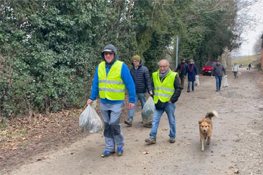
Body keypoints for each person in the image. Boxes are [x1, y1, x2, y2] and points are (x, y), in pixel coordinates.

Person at [87, 44, 136, 157]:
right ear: (103, 55)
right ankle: (109, 148)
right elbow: (96, 84)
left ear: (114, 54)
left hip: (116, 102)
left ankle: (119, 145)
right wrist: (92, 97)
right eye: (106, 53)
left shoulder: (121, 66)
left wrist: (132, 100)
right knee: (107, 125)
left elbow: (130, 84)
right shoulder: (100, 66)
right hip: (104, 101)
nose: (108, 55)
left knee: (114, 123)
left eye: (110, 53)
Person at [145, 59, 182, 144]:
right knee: (155, 120)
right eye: (160, 66)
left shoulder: (173, 75)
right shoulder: (155, 75)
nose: (162, 68)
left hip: (169, 103)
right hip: (158, 102)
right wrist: (152, 94)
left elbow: (178, 88)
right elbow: (152, 86)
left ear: (168, 66)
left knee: (171, 120)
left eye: (164, 66)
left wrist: (172, 100)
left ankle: (172, 136)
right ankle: (152, 137)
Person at [124, 55, 152, 127]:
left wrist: (149, 90)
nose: (134, 63)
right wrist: (129, 90)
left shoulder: (144, 69)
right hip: (134, 92)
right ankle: (130, 120)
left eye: (135, 61)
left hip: (142, 91)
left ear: (139, 62)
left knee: (144, 107)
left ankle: (145, 119)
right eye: (133, 61)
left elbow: (147, 81)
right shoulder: (132, 70)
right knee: (132, 106)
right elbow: (130, 81)